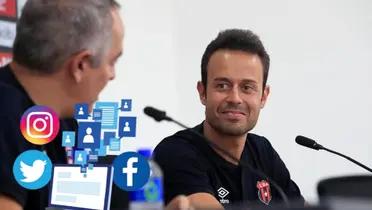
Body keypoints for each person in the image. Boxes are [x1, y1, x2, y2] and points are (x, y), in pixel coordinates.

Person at [153, 29, 305, 209]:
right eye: (222, 85)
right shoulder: (176, 151)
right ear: (203, 92)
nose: (235, 98)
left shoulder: (263, 151)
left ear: (263, 97)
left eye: (247, 87)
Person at [0, 0, 123, 209]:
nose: (112, 75)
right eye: (112, 62)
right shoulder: (5, 117)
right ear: (80, 65)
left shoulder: (65, 123)